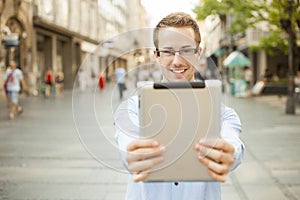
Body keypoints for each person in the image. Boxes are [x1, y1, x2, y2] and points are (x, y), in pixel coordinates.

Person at [114, 12, 244, 199]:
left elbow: (233, 144)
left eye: (186, 50)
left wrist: (228, 154)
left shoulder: (222, 114)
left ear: (198, 53)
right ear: (157, 55)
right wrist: (134, 155)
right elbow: (127, 145)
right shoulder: (130, 109)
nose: (177, 61)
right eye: (168, 51)